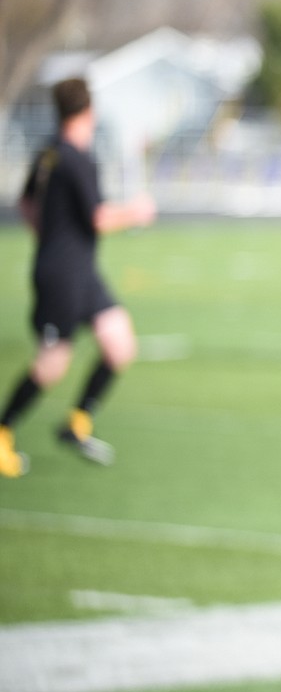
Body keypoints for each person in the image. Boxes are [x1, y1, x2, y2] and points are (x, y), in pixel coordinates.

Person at [0, 77, 156, 478]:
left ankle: (77, 422)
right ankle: (2, 431)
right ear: (89, 111)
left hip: (80, 271)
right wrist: (136, 212)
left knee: (119, 343)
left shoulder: (49, 153)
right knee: (53, 362)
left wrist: (49, 235)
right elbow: (99, 218)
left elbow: (25, 204)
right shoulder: (74, 158)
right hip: (62, 275)